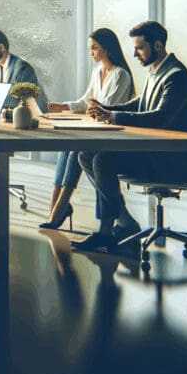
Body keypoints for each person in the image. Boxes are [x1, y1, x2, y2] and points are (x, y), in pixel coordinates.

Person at [74, 21, 187, 254]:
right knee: (86, 155)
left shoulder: (176, 76)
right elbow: (140, 104)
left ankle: (106, 232)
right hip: (155, 152)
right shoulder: (157, 71)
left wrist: (112, 116)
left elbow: (161, 117)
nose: (134, 54)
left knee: (103, 160)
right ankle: (125, 222)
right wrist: (107, 109)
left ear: (158, 45)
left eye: (140, 48)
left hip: (172, 159)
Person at [39, 28, 135, 229]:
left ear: (107, 48)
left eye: (94, 48)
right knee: (66, 146)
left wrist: (94, 108)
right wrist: (63, 106)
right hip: (95, 129)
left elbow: (107, 108)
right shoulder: (97, 71)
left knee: (77, 149)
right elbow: (87, 101)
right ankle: (55, 206)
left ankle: (61, 207)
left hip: (110, 134)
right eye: (90, 48)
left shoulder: (121, 75)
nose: (91, 52)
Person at [0, 28, 48, 109]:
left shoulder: (22, 68)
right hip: (5, 114)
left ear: (1, 48)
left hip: (28, 115)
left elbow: (19, 101)